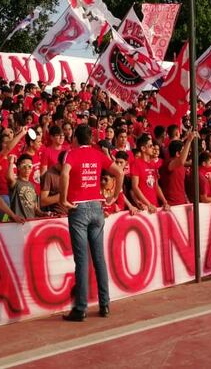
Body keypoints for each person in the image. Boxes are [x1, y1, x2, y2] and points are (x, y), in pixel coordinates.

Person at [60, 123, 124, 322]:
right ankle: (104, 304)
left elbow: (64, 173)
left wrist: (63, 199)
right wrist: (114, 195)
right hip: (96, 207)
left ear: (76, 138)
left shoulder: (72, 153)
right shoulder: (98, 154)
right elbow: (120, 172)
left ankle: (81, 308)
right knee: (99, 258)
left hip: (78, 208)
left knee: (82, 260)